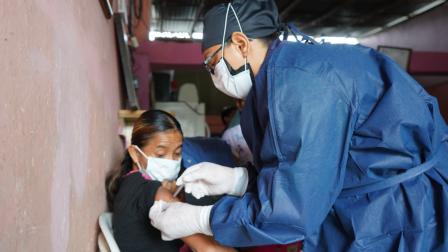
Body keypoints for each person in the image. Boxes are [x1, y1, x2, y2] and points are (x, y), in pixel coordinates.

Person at [149, 1, 448, 251]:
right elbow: (296, 170)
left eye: (212, 63)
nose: (213, 74)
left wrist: (202, 220)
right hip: (363, 202)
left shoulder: (303, 85)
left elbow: (291, 210)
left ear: (240, 44)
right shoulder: (273, 82)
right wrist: (239, 180)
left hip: (401, 213)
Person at [105, 109, 234, 252]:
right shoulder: (153, 192)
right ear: (135, 154)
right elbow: (209, 249)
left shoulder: (130, 183)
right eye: (160, 155)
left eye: (177, 153)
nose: (171, 162)